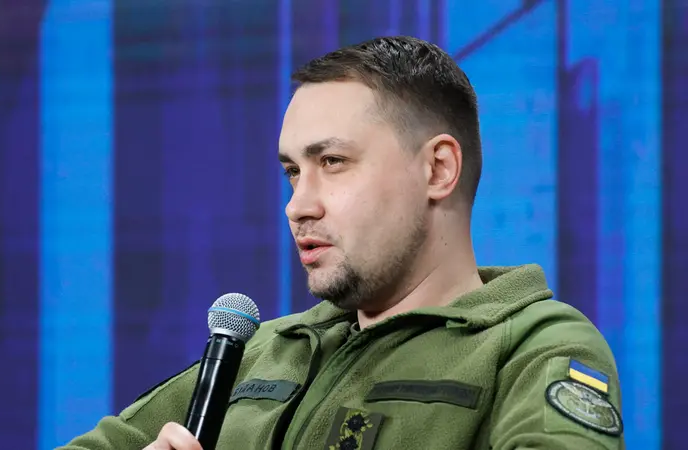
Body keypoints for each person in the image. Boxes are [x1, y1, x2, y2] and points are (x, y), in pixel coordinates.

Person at [60, 36, 624, 450]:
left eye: (332, 162)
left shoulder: (534, 350)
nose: (297, 205)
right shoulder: (262, 349)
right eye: (292, 172)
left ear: (437, 169)